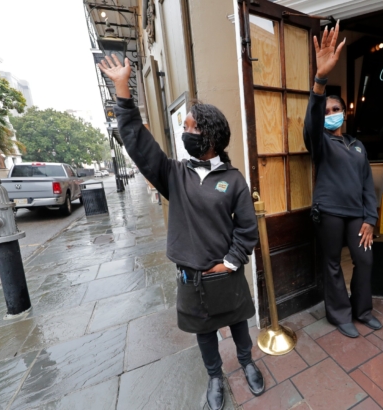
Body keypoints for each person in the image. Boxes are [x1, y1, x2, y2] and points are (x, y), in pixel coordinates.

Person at [98, 54, 264, 410]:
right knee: (204, 332)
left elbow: (247, 229)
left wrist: (231, 263)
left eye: (191, 128)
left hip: (224, 275)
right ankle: (215, 377)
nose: (185, 133)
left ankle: (248, 362)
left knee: (238, 323)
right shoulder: (174, 173)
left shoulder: (233, 180)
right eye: (184, 127)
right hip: (193, 277)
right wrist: (122, 90)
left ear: (210, 136)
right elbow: (138, 144)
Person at [304, 21, 382, 338]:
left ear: (345, 112)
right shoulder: (320, 141)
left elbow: (367, 184)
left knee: (364, 260)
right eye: (327, 109)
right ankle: (340, 315)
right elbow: (311, 121)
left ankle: (362, 310)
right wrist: (321, 80)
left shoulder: (357, 145)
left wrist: (371, 218)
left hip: (357, 216)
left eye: (337, 108)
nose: (331, 112)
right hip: (331, 213)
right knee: (333, 263)